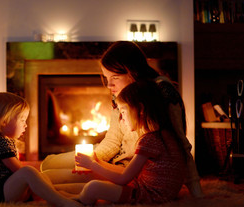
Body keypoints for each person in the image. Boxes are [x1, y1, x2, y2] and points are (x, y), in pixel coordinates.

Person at [41, 41, 204, 198]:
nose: (108, 85)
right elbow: (112, 141)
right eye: (106, 77)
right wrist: (93, 158)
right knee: (47, 164)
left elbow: (182, 143)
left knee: (50, 177)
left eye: (115, 77)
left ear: (132, 72)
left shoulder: (161, 91)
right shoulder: (119, 95)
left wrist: (196, 191)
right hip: (113, 160)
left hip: (130, 170)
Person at [75, 81, 186, 204]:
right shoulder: (165, 135)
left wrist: (92, 165)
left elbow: (123, 178)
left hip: (150, 196)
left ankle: (76, 203)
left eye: (123, 112)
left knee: (93, 187)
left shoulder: (149, 140)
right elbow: (126, 172)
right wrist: (98, 161)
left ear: (141, 109)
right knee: (97, 182)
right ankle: (76, 197)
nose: (121, 119)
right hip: (158, 192)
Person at [0, 92, 83, 207]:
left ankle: (60, 196)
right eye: (22, 120)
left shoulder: (3, 140)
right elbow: (18, 170)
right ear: (4, 121)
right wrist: (35, 175)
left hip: (5, 188)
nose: (25, 125)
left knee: (39, 176)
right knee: (28, 172)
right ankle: (60, 202)